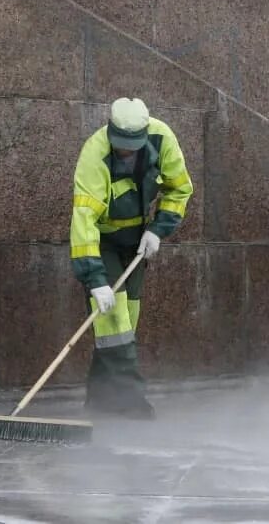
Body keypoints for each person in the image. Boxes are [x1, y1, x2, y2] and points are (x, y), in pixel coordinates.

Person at [69, 97, 193, 418]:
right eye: (120, 145)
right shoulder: (94, 154)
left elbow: (180, 189)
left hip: (139, 241)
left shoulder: (162, 138)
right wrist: (95, 280)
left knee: (124, 325)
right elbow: (84, 222)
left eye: (132, 145)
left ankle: (99, 401)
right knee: (113, 320)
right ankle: (132, 402)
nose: (126, 150)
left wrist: (158, 228)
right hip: (104, 243)